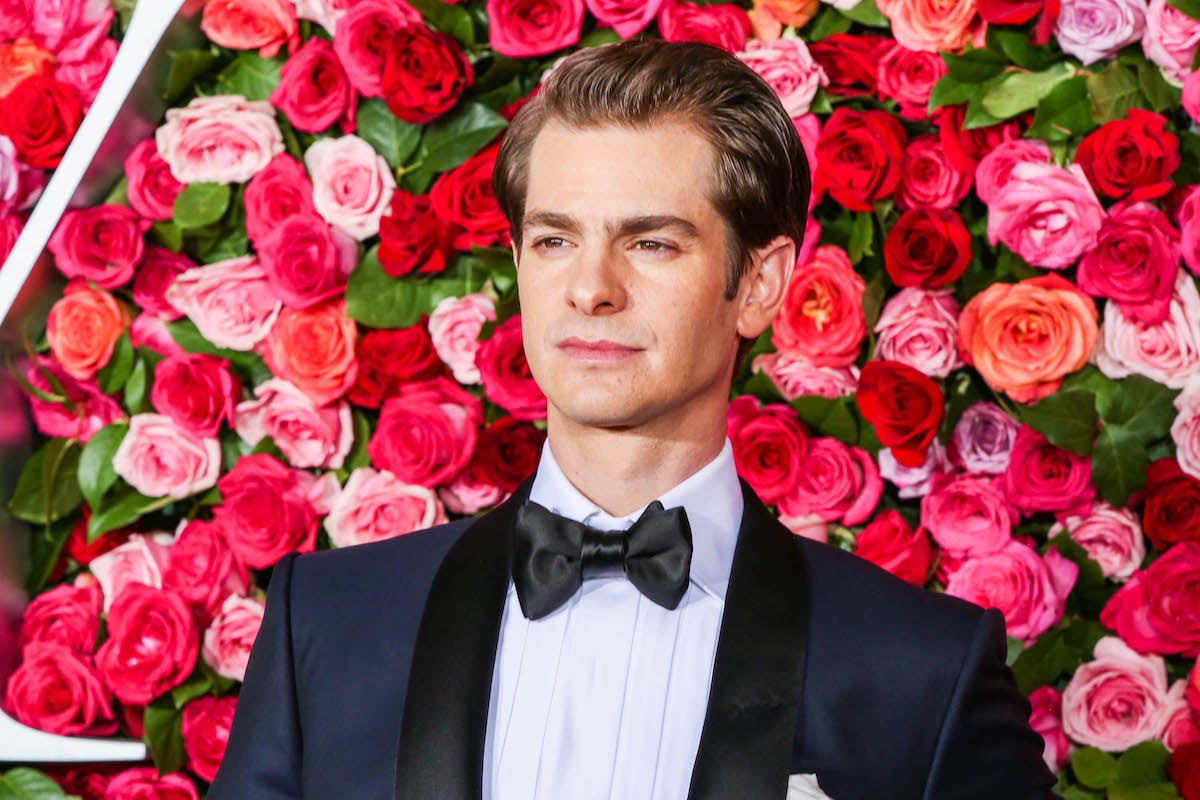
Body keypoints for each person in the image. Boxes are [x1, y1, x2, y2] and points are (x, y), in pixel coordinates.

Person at [209, 40, 1057, 800]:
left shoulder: (920, 671)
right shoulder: (326, 621)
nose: (590, 289)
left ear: (758, 285)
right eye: (554, 241)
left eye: (651, 242)